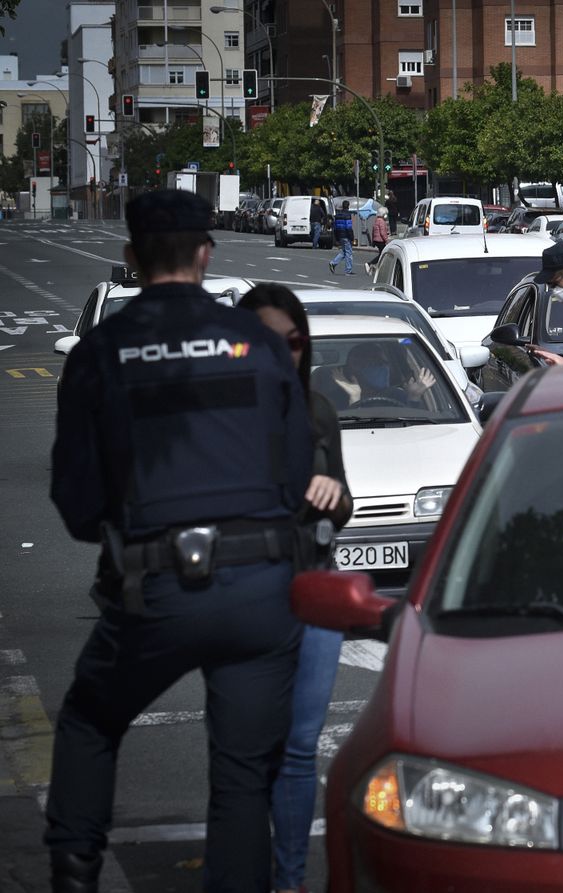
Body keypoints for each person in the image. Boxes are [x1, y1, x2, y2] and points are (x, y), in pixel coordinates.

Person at [46, 189, 313, 893]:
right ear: (206, 253)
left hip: (156, 586)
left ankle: (73, 868)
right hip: (261, 590)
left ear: (131, 258)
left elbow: (76, 504)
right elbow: (296, 476)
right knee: (242, 780)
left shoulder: (102, 351)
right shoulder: (258, 343)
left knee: (89, 720)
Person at [236, 283, 353, 893]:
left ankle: (288, 883)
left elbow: (344, 502)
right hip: (244, 596)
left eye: (295, 341)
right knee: (246, 752)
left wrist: (333, 497)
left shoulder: (318, 411)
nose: (283, 354)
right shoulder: (219, 415)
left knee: (302, 747)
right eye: (263, 342)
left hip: (313, 590)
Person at [319, 340, 436, 409]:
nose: (382, 368)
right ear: (354, 368)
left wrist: (414, 397)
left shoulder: (396, 395)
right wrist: (354, 398)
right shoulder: (334, 399)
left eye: (383, 363)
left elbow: (415, 427)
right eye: (374, 363)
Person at [328, 199, 355, 275]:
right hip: (346, 235)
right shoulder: (347, 215)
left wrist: (336, 237)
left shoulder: (338, 215)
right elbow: (348, 227)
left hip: (340, 235)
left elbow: (335, 227)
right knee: (349, 253)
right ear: (348, 206)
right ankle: (348, 270)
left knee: (344, 252)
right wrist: (352, 237)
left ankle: (333, 263)